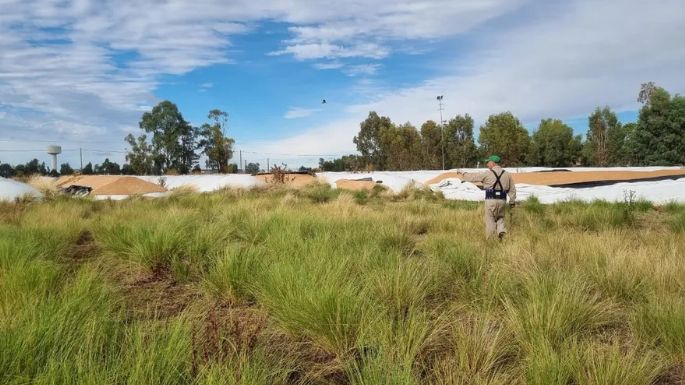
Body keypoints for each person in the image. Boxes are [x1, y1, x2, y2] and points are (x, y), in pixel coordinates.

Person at [461, 155, 516, 240]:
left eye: (488, 162)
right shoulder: (507, 174)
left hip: (491, 199)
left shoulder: (487, 173)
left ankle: (491, 240)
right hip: (502, 200)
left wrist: (463, 173)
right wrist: (512, 201)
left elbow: (473, 178)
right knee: (500, 217)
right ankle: (501, 231)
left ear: (492, 163)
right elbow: (512, 189)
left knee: (490, 220)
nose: (487, 164)